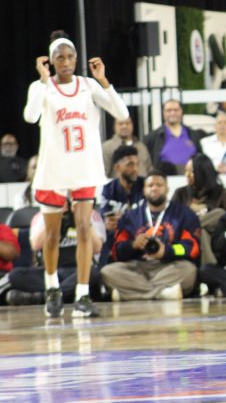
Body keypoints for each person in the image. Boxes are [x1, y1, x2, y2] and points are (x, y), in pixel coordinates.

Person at [23, 31, 129, 317]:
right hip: (54, 169)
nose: (66, 62)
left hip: (84, 168)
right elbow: (30, 116)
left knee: (84, 228)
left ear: (76, 58)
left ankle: (82, 295)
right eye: (60, 58)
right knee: (52, 235)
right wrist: (43, 80)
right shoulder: (41, 87)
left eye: (70, 57)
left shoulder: (88, 85)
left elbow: (121, 113)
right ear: (51, 61)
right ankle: (52, 287)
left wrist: (104, 81)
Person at [101, 171, 200, 301]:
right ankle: (163, 293)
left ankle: (130, 294)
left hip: (169, 266)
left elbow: (191, 248)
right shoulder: (130, 216)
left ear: (167, 188)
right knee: (107, 272)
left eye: (159, 185)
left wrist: (166, 251)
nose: (154, 188)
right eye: (150, 185)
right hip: (137, 267)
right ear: (144, 190)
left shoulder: (183, 214)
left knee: (189, 270)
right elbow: (116, 251)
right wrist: (133, 245)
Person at [7, 203, 105, 306]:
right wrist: (54, 219)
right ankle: (64, 293)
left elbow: (97, 248)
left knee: (92, 272)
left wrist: (82, 220)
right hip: (50, 271)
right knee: (15, 275)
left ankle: (45, 297)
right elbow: (35, 245)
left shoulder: (91, 215)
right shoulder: (41, 216)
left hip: (77, 271)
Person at [171, 153, 226, 266]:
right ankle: (210, 267)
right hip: (186, 238)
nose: (187, 175)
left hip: (214, 237)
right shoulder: (180, 193)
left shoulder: (220, 192)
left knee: (220, 213)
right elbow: (171, 219)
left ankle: (207, 267)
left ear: (203, 172)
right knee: (202, 231)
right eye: (186, 171)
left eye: (191, 172)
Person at [97, 145, 145, 265]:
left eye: (137, 164)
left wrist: (123, 219)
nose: (135, 169)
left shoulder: (145, 185)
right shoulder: (108, 189)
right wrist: (108, 223)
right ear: (118, 167)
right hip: (116, 239)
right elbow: (107, 219)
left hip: (140, 236)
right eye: (130, 165)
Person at [143, 99, 204, 175]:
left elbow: (201, 158)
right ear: (163, 113)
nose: (172, 113)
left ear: (181, 112)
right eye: (169, 110)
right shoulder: (153, 137)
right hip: (164, 179)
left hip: (191, 178)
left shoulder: (192, 134)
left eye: (176, 110)